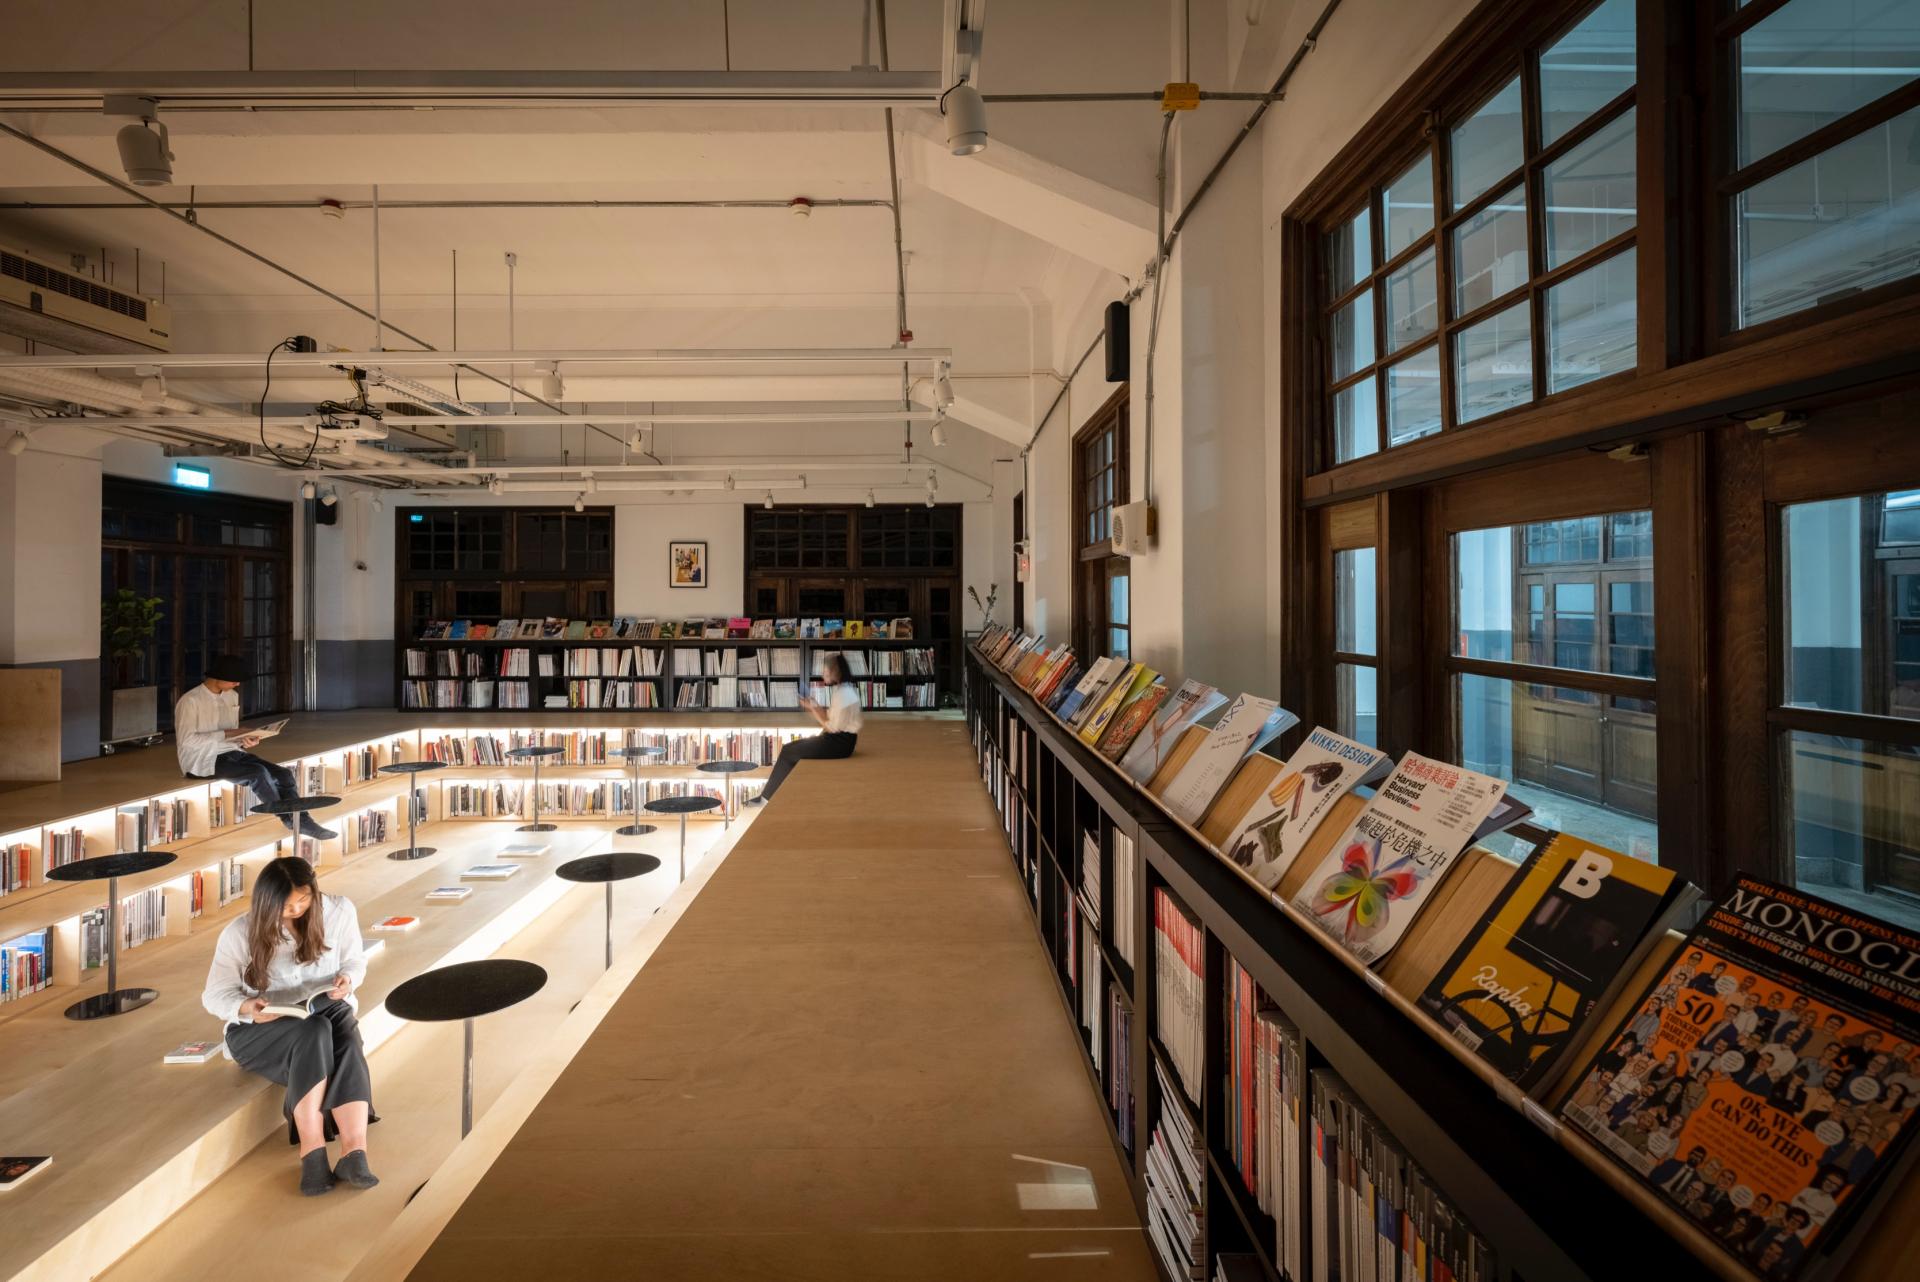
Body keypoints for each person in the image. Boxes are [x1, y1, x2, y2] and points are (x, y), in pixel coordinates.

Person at [202, 856, 375, 1196]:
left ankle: (355, 1151)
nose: (296, 909)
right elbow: (214, 996)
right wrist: (248, 1007)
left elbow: (355, 960)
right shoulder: (239, 933)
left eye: (304, 900)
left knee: (338, 1019)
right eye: (286, 904)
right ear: (267, 902)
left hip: (320, 1013)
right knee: (316, 1029)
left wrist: (348, 980)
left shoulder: (339, 912)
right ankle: (312, 1152)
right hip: (259, 1030)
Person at [176, 654, 335, 840]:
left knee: (283, 774)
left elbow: (233, 734)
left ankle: (304, 820)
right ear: (218, 677)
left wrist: (244, 739)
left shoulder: (231, 696)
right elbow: (187, 741)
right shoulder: (190, 701)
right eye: (234, 680)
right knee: (257, 773)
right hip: (202, 760)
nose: (237, 685)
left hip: (232, 752)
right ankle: (292, 821)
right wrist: (230, 734)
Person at [744, 653, 862, 805]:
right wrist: (814, 705)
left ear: (835, 671)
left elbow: (831, 727)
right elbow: (831, 719)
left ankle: (765, 799)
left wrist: (813, 708)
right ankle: (769, 796)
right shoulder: (844, 690)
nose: (822, 674)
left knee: (788, 752)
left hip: (839, 744)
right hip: (841, 741)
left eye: (825, 670)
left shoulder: (843, 695)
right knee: (789, 749)